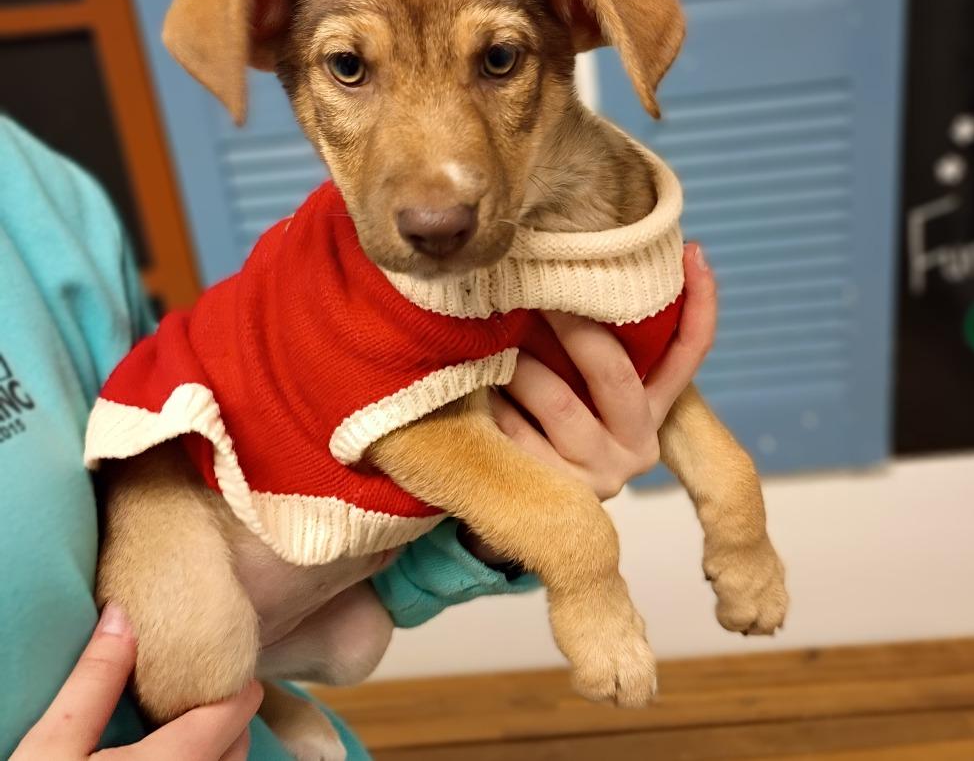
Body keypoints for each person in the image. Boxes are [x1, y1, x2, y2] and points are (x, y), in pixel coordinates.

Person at [0, 116, 716, 759]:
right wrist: (576, 555)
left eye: (497, 61)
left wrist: (491, 535)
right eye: (350, 67)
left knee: (353, 642)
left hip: (288, 629)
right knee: (228, 654)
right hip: (202, 631)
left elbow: (174, 438)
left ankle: (256, 696)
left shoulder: (32, 186)